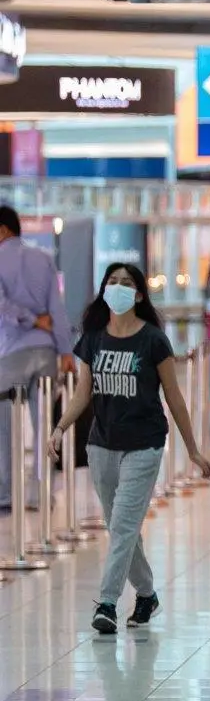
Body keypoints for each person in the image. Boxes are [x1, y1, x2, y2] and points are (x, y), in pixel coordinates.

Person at [49, 263, 210, 634]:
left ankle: (106, 603)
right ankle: (147, 593)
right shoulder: (93, 338)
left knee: (123, 525)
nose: (118, 287)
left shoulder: (153, 339)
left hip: (144, 443)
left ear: (139, 295)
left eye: (127, 283)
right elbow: (82, 393)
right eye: (112, 282)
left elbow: (174, 398)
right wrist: (59, 428)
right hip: (102, 445)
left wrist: (194, 450)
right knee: (120, 527)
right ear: (104, 290)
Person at [0, 205, 73, 512]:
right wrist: (66, 350)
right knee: (44, 422)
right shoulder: (43, 258)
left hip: (12, 352)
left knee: (3, 426)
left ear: (3, 231)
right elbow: (57, 309)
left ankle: (4, 492)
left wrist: (29, 319)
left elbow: (2, 306)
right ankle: (39, 493)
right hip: (46, 352)